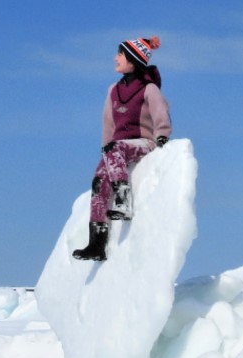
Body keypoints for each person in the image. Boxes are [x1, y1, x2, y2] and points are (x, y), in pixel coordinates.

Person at [73, 36, 172, 261]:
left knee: (116, 148)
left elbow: (161, 115)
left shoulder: (149, 89)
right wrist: (105, 150)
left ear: (133, 59)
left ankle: (123, 201)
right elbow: (108, 122)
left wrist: (162, 136)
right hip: (116, 148)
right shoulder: (112, 90)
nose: (116, 58)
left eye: (120, 54)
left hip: (143, 143)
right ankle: (97, 243)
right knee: (98, 181)